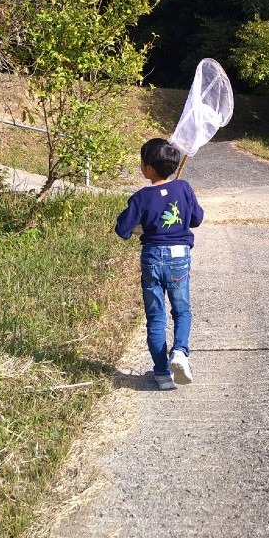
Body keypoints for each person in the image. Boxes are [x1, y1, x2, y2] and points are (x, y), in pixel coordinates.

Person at [115, 138, 204, 390]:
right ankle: (179, 352)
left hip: (152, 257)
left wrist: (139, 225)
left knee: (155, 317)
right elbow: (196, 218)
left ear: (149, 168)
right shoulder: (183, 188)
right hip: (179, 256)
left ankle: (163, 375)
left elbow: (122, 229)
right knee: (182, 310)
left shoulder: (141, 197)